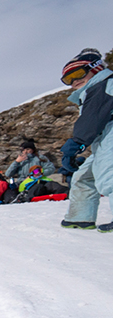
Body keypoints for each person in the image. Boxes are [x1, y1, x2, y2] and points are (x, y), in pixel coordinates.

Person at [57, 48, 113, 231]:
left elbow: (92, 119)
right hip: (104, 138)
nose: (74, 81)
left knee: (109, 175)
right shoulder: (93, 90)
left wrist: (76, 143)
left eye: (79, 73)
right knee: (84, 176)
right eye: (67, 79)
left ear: (96, 68)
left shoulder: (104, 84)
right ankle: (81, 217)